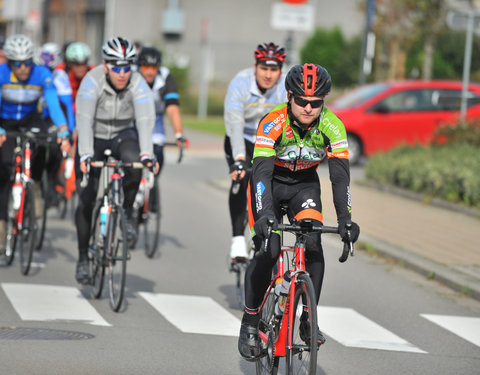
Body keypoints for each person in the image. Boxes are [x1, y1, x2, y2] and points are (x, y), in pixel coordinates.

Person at [237, 63, 361, 360]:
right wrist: (264, 214)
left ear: (324, 101)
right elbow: (261, 174)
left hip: (304, 186)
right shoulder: (272, 122)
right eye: (302, 101)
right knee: (269, 249)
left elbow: (340, 177)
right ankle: (251, 320)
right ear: (289, 97)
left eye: (316, 103)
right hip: (270, 184)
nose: (308, 108)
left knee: (314, 242)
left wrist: (345, 220)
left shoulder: (333, 125)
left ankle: (307, 319)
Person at [74, 36, 155, 284]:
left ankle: (127, 213)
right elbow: (84, 120)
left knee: (134, 164)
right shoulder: (91, 81)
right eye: (116, 67)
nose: (122, 73)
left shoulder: (139, 84)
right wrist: (85, 153)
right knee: (86, 199)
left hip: (122, 134)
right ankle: (83, 260)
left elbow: (144, 120)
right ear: (106, 65)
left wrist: (147, 155)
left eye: (127, 67)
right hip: (94, 136)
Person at [0, 34, 69, 255]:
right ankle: (1, 226)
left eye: (27, 62)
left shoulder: (42, 74)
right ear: (9, 62)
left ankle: (35, 185)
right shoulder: (1, 73)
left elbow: (53, 103)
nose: (22, 68)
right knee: (4, 170)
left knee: (45, 145)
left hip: (31, 119)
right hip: (6, 120)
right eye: (17, 63)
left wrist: (63, 129)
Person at [224, 42, 287, 262]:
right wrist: (240, 158)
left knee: (271, 184)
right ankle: (237, 240)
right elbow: (234, 123)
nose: (268, 75)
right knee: (241, 180)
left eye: (274, 70)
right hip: (242, 138)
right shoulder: (240, 83)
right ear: (255, 67)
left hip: (270, 142)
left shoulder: (284, 86)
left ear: (280, 70)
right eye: (264, 68)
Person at [136, 46, 185, 174]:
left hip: (155, 121)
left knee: (158, 159)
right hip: (133, 121)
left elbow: (172, 108)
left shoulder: (166, 77)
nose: (150, 72)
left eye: (154, 67)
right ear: (139, 66)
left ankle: (151, 186)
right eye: (146, 67)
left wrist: (178, 134)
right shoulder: (132, 76)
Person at [56, 41, 94, 112]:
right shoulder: (60, 72)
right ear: (69, 64)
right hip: (65, 111)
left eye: (84, 63)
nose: (81, 68)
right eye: (77, 64)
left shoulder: (94, 72)